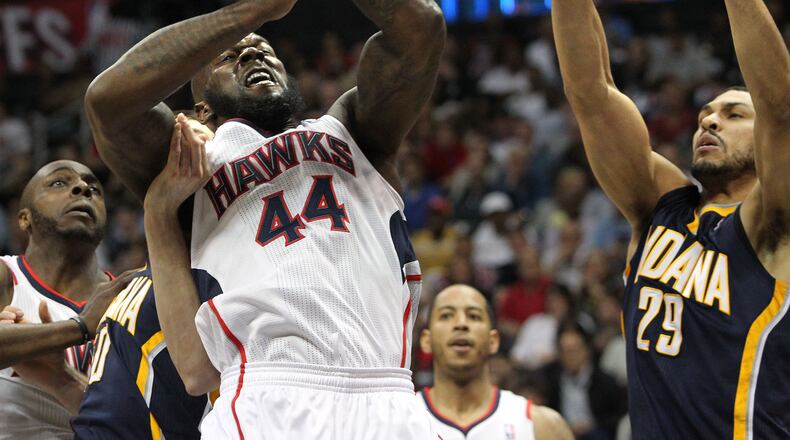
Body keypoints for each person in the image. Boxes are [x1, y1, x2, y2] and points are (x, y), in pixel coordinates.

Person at [85, 0, 446, 438]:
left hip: (386, 392)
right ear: (201, 110)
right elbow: (106, 101)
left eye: (263, 48)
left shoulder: (352, 128)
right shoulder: (187, 163)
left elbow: (420, 25)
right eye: (229, 56)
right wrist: (250, 12)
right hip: (266, 393)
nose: (253, 52)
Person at [552, 0, 790, 437]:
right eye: (705, 116)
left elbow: (780, 105)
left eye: (734, 115)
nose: (711, 122)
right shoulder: (660, 208)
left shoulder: (773, 226)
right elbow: (590, 91)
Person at [72, 118, 216, 440]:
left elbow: (195, 379)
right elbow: (127, 402)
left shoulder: (209, 277)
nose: (82, 190)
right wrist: (57, 377)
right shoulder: (127, 286)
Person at [0, 160, 131, 439]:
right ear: (25, 218)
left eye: (94, 189)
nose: (82, 188)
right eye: (60, 182)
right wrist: (78, 328)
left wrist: (62, 378)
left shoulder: (129, 300)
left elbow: (142, 424)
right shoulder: (6, 275)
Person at [418, 284, 573, 440]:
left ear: (493, 341)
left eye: (474, 316)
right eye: (446, 315)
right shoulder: (400, 418)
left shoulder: (542, 426)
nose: (461, 324)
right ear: (426, 340)